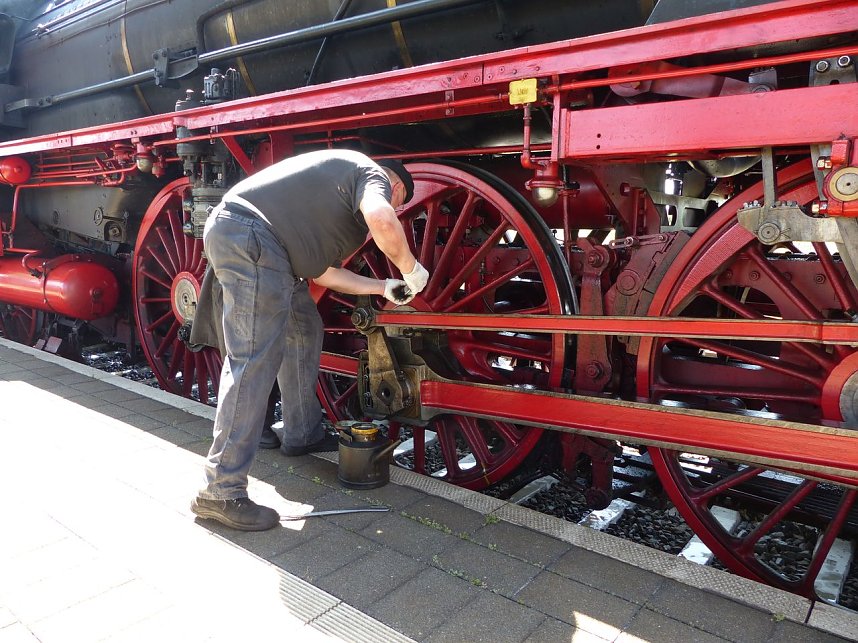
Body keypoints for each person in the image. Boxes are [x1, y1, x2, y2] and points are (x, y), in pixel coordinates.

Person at [190, 149, 429, 531]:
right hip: (251, 237)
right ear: (397, 186)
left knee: (304, 326)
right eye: (400, 202)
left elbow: (324, 275)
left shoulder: (327, 201)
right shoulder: (371, 175)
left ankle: (301, 434)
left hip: (270, 246)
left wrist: (385, 286)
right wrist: (412, 270)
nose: (395, 208)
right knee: (253, 361)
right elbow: (383, 219)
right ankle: (221, 490)